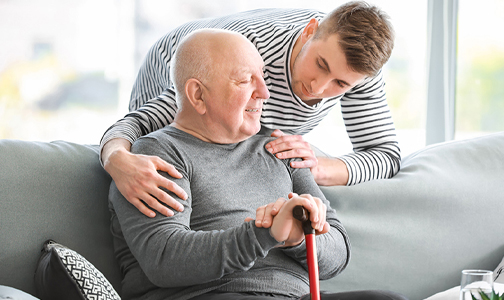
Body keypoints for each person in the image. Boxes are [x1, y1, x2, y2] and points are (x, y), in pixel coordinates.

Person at [108, 29, 407, 300]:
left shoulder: (279, 147)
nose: (264, 93)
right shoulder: (153, 157)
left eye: (262, 75)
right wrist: (266, 234)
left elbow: (338, 253)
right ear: (198, 95)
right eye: (244, 80)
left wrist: (297, 237)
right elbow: (165, 260)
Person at [102, 1, 401, 218]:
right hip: (175, 60)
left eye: (340, 83)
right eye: (321, 65)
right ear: (310, 31)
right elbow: (136, 124)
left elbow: (386, 155)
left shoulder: (360, 71)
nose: (319, 87)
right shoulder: (251, 54)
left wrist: (320, 167)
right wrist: (117, 159)